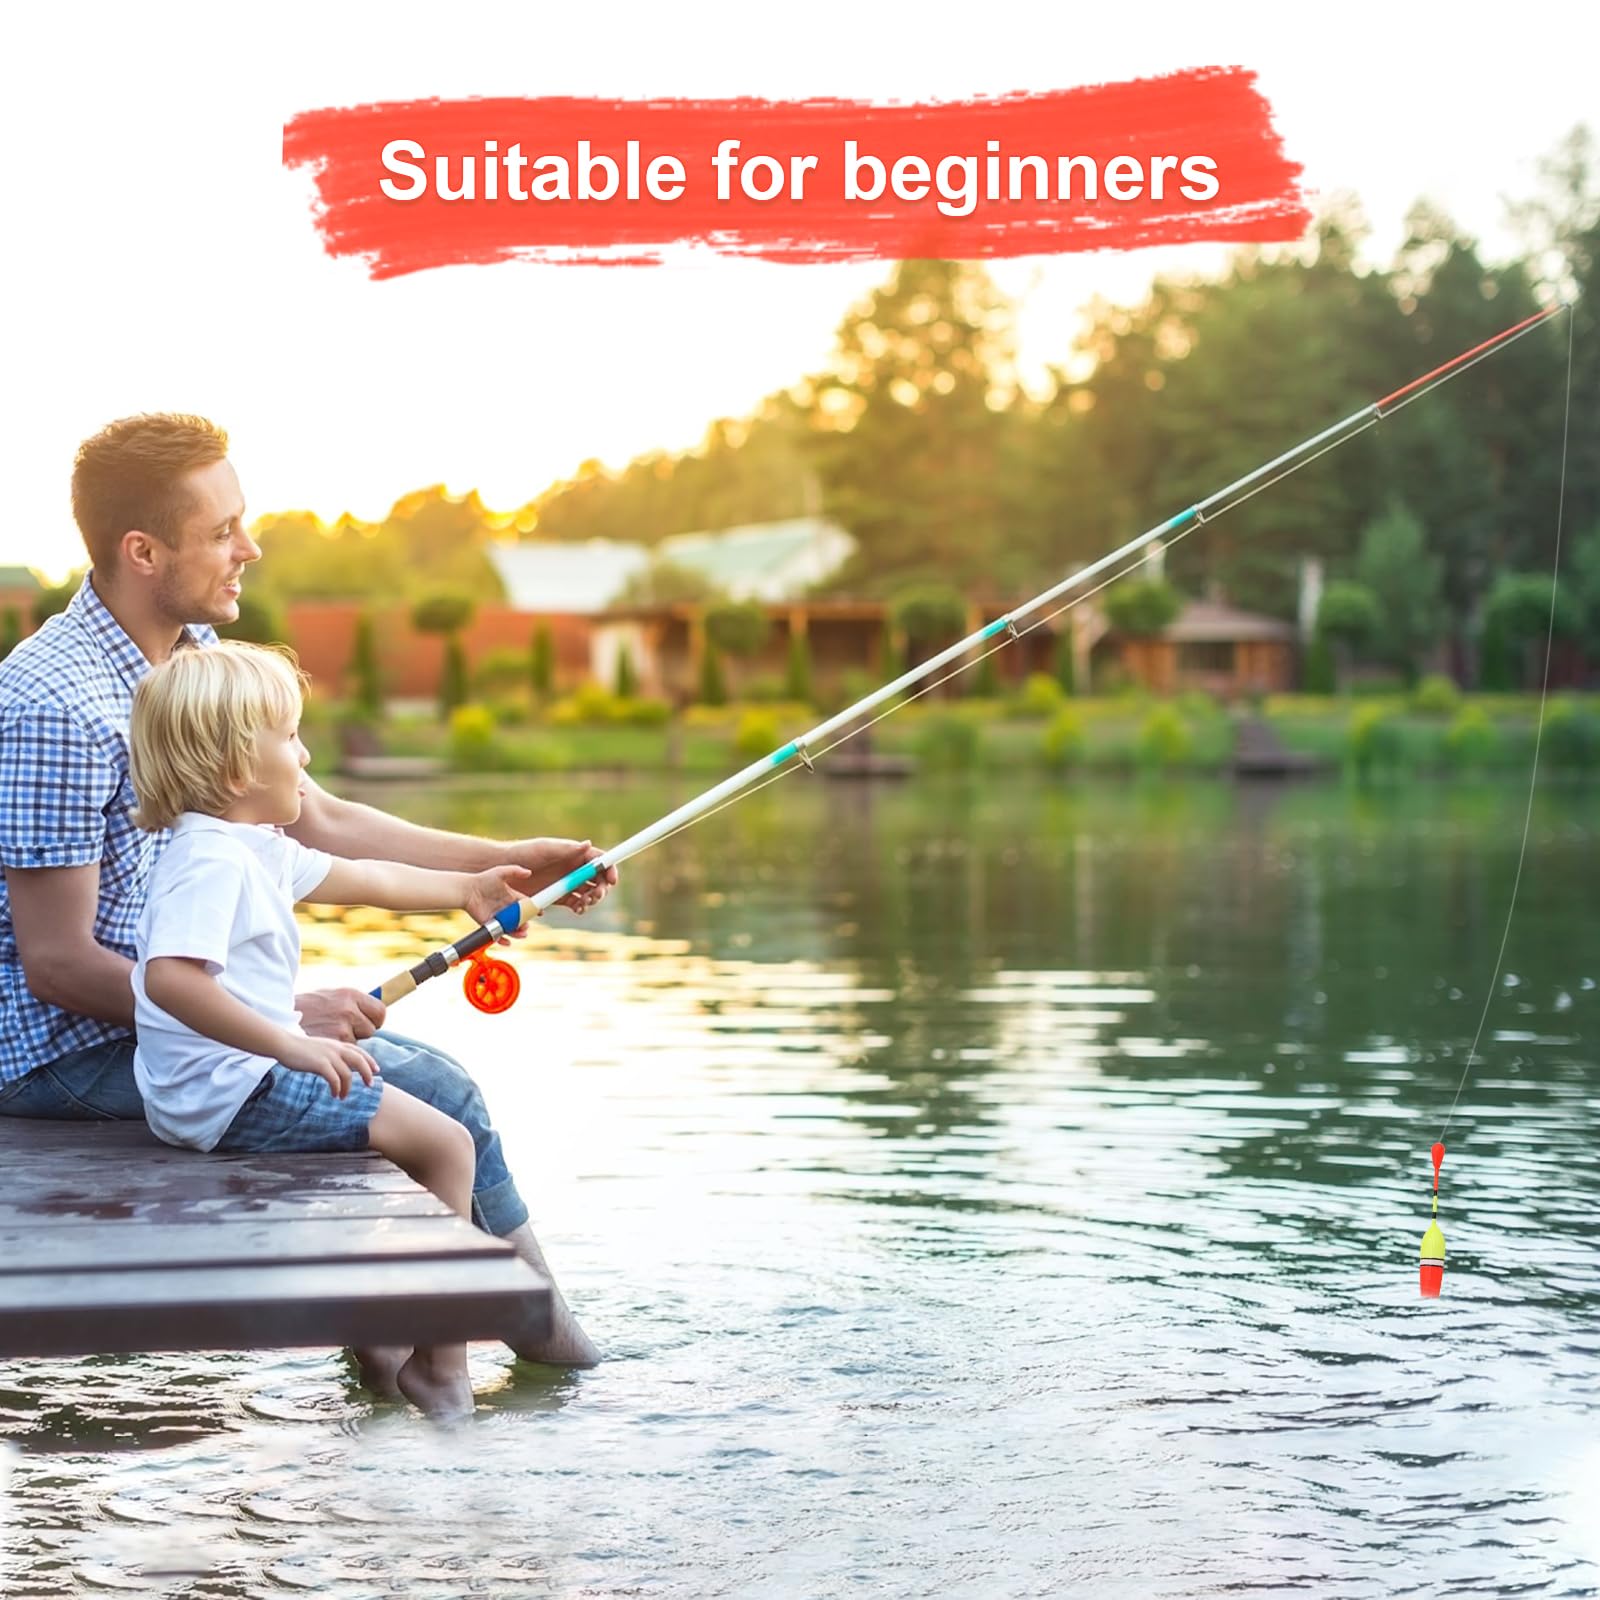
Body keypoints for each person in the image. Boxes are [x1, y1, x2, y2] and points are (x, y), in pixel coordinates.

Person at [0, 413, 616, 1376]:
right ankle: (538, 1347)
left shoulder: (191, 651)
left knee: (426, 1086)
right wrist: (276, 1012)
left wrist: (495, 862)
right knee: (437, 1091)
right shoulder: (53, 704)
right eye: (223, 531)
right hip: (60, 1051)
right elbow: (57, 965)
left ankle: (440, 1349)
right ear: (142, 551)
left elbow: (316, 821)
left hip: (176, 1012)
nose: (250, 548)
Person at [129, 641, 532, 1418]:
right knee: (447, 1143)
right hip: (232, 1092)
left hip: (240, 1080)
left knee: (419, 1134)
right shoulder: (209, 859)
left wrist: (468, 888)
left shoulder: (253, 847)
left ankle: (385, 1347)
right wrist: (291, 1043)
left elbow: (369, 879)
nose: (305, 754)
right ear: (238, 769)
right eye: (290, 738)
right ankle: (441, 1365)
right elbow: (169, 979)